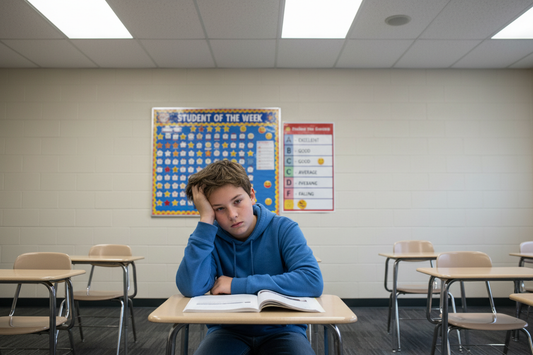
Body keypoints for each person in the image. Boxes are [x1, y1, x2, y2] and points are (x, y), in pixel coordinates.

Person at [176, 160, 323, 355]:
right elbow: (191, 287)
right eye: (219, 208)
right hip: (227, 330)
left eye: (237, 201)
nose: (233, 215)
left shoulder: (283, 228)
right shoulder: (209, 236)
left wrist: (236, 285)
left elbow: (312, 281)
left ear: (252, 195)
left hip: (283, 329)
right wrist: (205, 222)